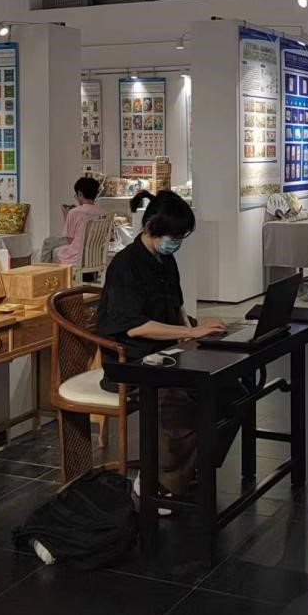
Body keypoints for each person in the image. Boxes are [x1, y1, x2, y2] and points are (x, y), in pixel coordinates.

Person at [94, 191, 229, 511]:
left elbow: (176, 306)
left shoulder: (165, 260)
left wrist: (194, 330)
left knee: (230, 391)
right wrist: (189, 332)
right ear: (151, 227)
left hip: (169, 351)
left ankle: (188, 468)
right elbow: (136, 327)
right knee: (178, 403)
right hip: (133, 359)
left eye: (180, 237)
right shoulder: (126, 266)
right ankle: (158, 484)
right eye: (173, 236)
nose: (176, 243)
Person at [47, 176, 112, 266]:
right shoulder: (105, 213)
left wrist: (66, 215)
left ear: (80, 194)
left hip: (75, 258)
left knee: (55, 251)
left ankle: (44, 272)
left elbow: (69, 240)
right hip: (95, 258)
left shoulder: (74, 212)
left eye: (76, 195)